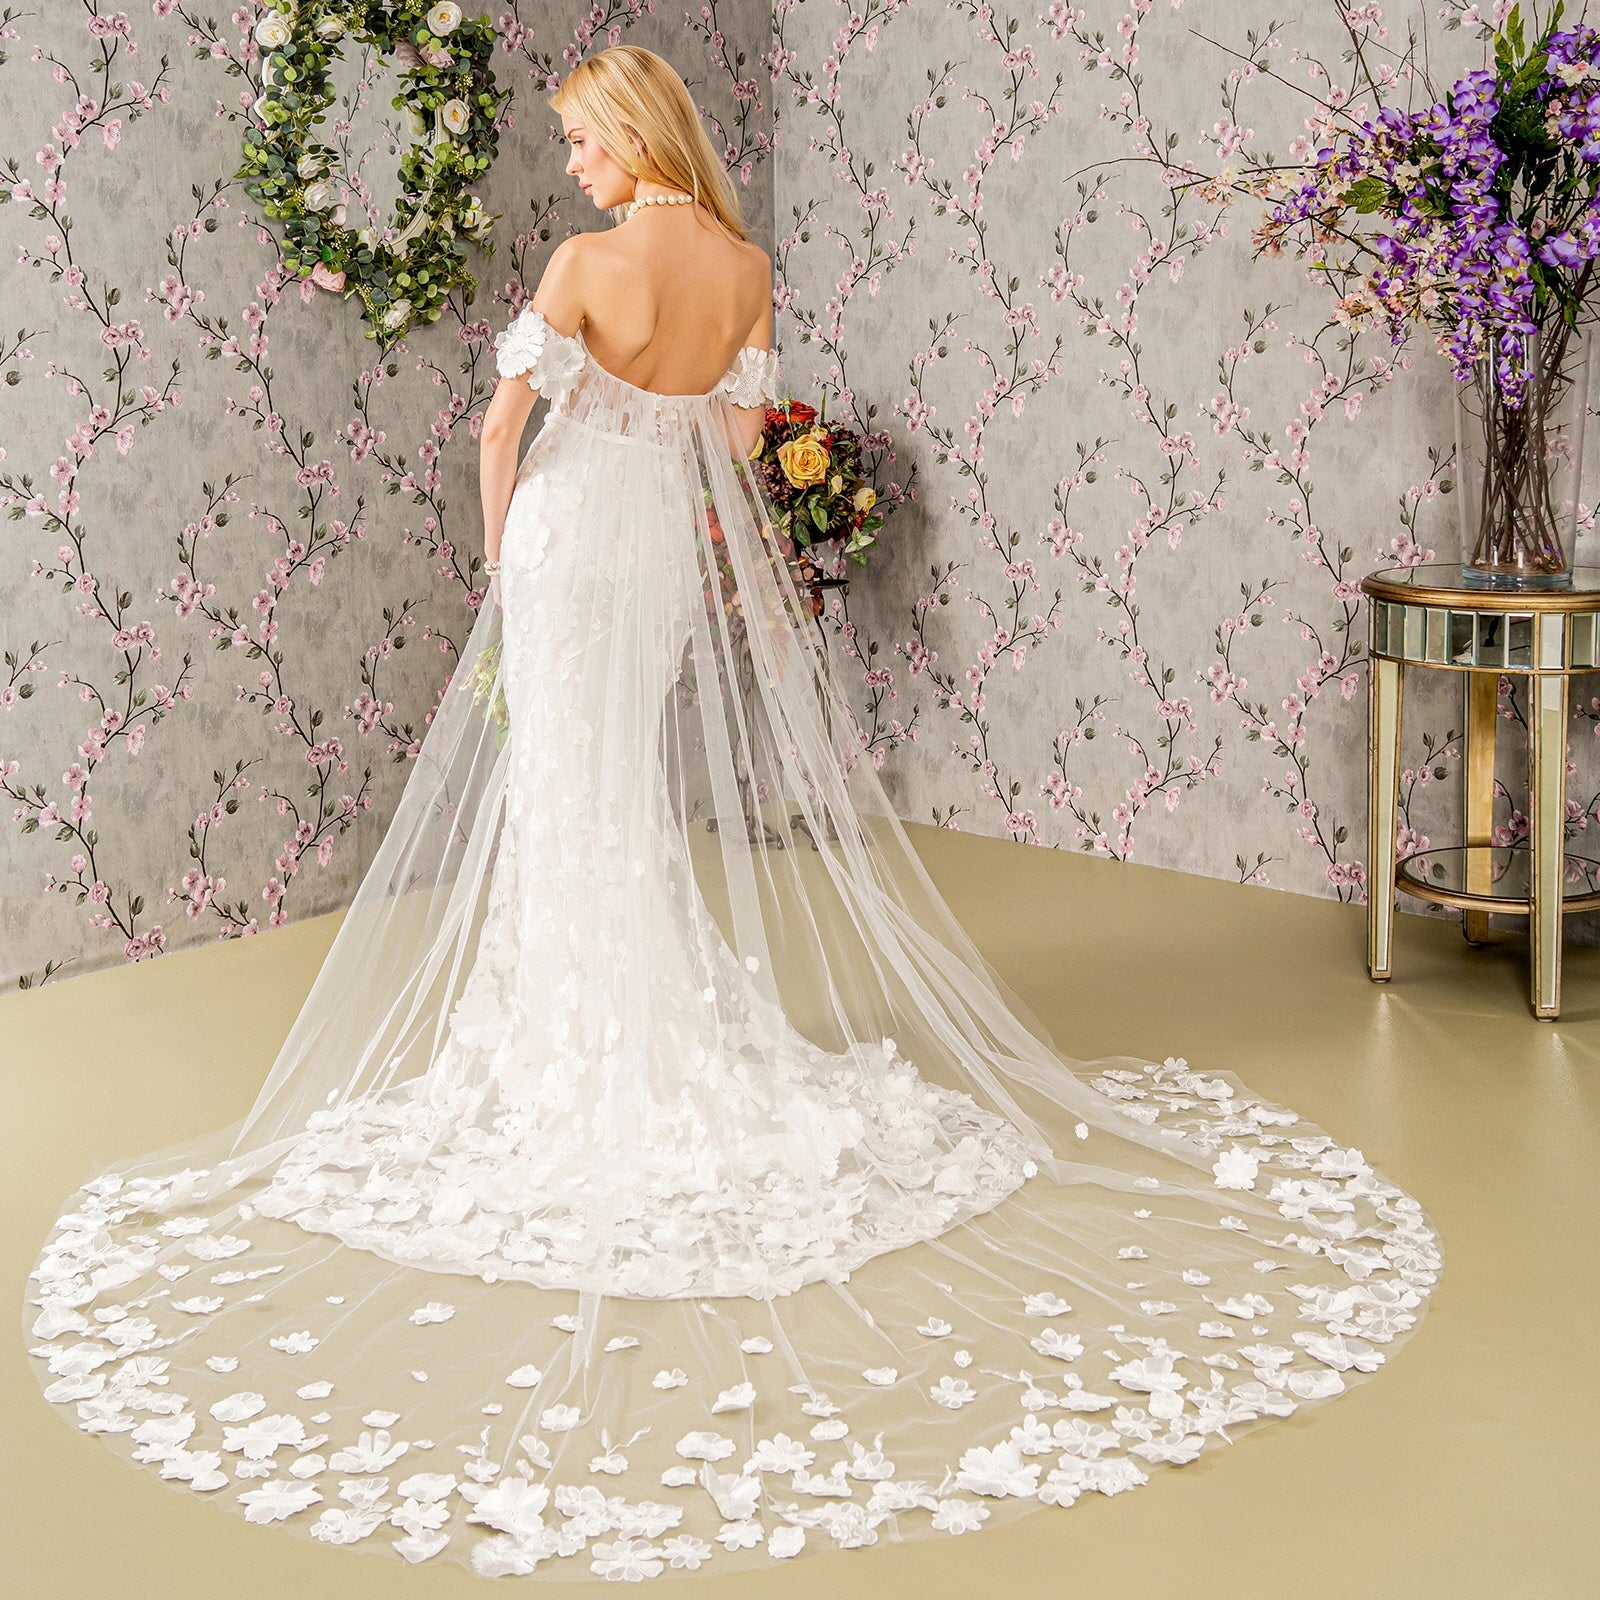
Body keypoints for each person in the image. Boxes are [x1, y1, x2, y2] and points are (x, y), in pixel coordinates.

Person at [23, 45, 1441, 1582]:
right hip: (655, 562)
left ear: (634, 135)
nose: (572, 167)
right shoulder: (747, 270)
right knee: (612, 786)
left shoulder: (586, 266)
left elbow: (499, 435)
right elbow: (744, 453)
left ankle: (576, 1042)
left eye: (582, 141)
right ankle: (618, 1025)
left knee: (567, 791)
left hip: (567, 544)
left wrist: (501, 568)